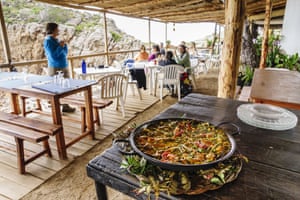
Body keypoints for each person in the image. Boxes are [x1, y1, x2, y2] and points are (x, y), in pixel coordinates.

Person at [44, 22, 75, 112]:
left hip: (63, 65)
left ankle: (65, 106)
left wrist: (64, 46)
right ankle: (56, 107)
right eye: (57, 29)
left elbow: (64, 54)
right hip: (55, 67)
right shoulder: (48, 41)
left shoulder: (56, 40)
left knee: (66, 87)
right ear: (52, 30)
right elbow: (53, 56)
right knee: (55, 87)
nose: (58, 30)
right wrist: (60, 47)